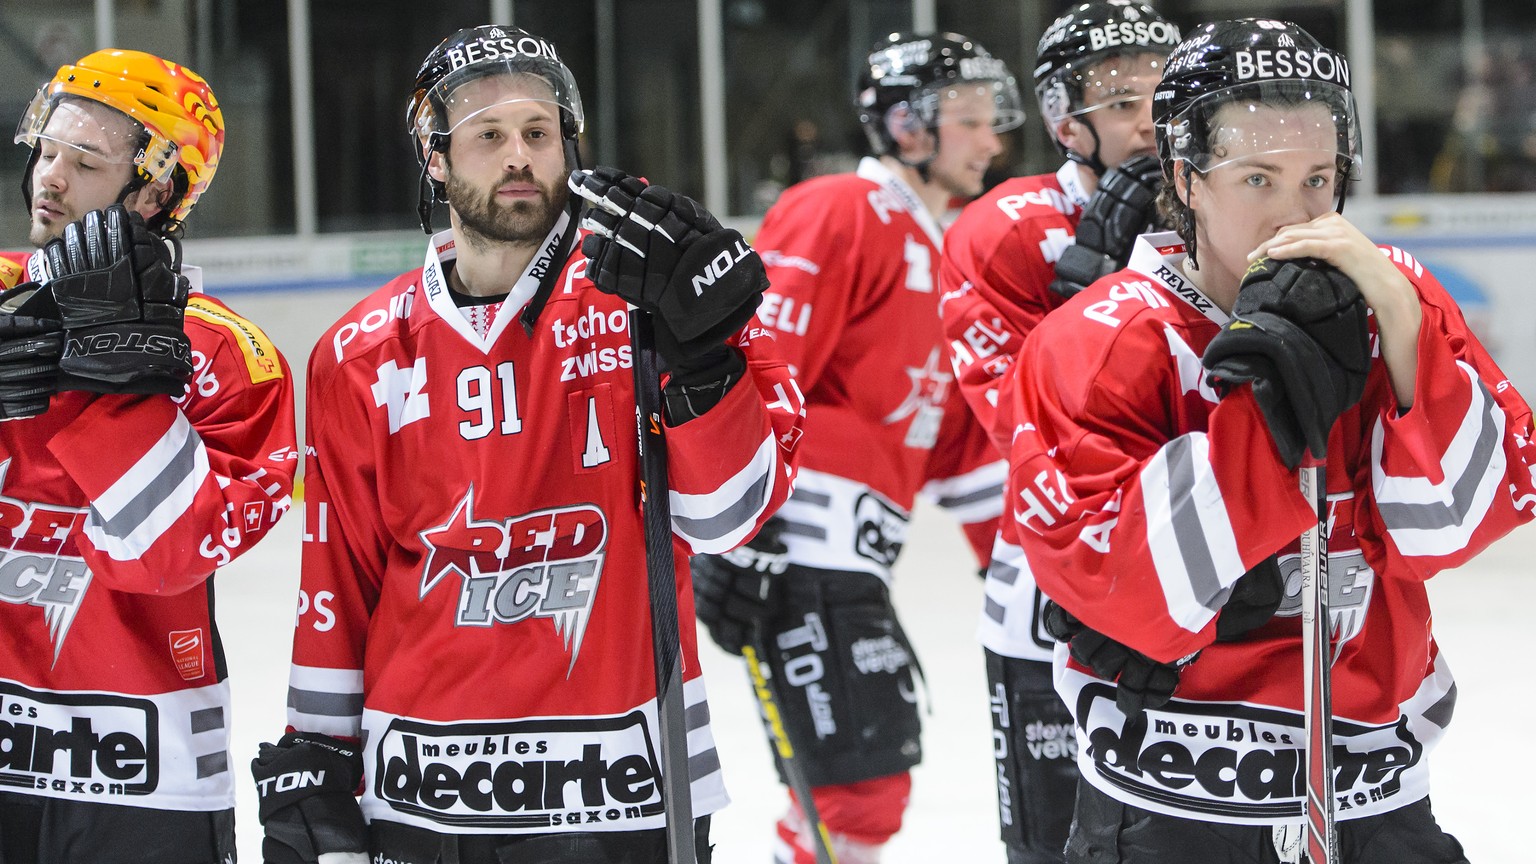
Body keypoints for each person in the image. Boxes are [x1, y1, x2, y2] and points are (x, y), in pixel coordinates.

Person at [251, 24, 801, 864]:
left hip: (625, 792)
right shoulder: (361, 355)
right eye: (488, 135)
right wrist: (317, 759)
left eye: (539, 133)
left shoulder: (645, 313)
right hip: (425, 797)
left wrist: (704, 362)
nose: (519, 156)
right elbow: (339, 582)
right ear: (435, 159)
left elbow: (727, 518)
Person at [1003, 18, 1535, 863]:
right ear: (1186, 178)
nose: (1298, 214)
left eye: (1319, 179)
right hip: (1177, 811)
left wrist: (1403, 328)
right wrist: (1272, 414)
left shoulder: (1392, 296)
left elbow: (1456, 524)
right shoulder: (1099, 341)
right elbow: (1135, 596)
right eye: (1258, 177)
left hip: (1377, 798)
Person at [690, 31, 1022, 864]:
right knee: (856, 788)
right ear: (910, 128)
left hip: (856, 562)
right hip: (796, 551)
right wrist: (746, 532)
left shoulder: (943, 250)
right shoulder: (840, 208)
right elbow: (759, 359)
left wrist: (1021, 563)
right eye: (973, 120)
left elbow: (951, 440)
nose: (994, 140)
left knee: (869, 781)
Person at [0, 50, 296, 863]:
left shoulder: (234, 358)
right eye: (47, 151)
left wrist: (108, 396)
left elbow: (167, 555)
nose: (48, 180)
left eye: (85, 161)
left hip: (143, 776)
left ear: (157, 191)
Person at [935, 4, 1180, 861]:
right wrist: (1096, 282)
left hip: (1216, 583)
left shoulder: (1228, 212)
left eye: (1167, 92)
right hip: (1051, 599)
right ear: (1062, 120)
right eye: (1123, 101)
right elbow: (1020, 422)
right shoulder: (1005, 227)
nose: (1153, 119)